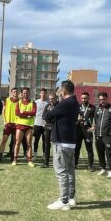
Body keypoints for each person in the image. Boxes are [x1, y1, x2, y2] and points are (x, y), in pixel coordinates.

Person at [44, 80, 79, 210]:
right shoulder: (75, 102)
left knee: (61, 171)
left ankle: (64, 201)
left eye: (60, 91)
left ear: (63, 92)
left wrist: (53, 115)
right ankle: (70, 198)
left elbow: (48, 115)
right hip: (70, 142)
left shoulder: (64, 103)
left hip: (62, 142)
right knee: (70, 171)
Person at [90, 92, 111, 179]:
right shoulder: (97, 109)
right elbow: (96, 122)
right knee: (100, 153)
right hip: (98, 135)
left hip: (108, 136)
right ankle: (103, 168)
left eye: (104, 99)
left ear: (107, 99)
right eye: (100, 99)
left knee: (109, 153)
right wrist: (95, 128)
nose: (102, 101)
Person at [14, 87, 36, 167]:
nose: (25, 94)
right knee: (17, 143)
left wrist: (23, 112)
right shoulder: (19, 102)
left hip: (29, 126)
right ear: (22, 94)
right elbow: (17, 113)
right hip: (20, 125)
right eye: (24, 93)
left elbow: (33, 113)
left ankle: (29, 160)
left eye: (26, 93)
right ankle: (15, 159)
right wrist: (27, 115)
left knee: (29, 144)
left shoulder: (33, 102)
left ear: (29, 93)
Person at [75, 91, 96, 171]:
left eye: (85, 98)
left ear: (89, 98)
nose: (83, 99)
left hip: (88, 131)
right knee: (77, 148)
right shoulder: (77, 107)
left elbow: (97, 119)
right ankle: (75, 164)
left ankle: (90, 166)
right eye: (82, 98)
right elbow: (73, 117)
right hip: (78, 130)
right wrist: (77, 119)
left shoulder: (93, 108)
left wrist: (94, 126)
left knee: (89, 148)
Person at [0, 87, 19, 163]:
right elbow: (3, 111)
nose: (15, 93)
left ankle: (13, 156)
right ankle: (0, 156)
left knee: (14, 141)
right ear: (11, 93)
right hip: (8, 124)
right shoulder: (7, 100)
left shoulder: (20, 101)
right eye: (13, 92)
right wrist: (5, 121)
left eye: (16, 91)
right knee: (4, 140)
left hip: (16, 124)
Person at [41, 92, 57, 168]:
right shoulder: (47, 106)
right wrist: (50, 116)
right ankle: (46, 163)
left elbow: (57, 117)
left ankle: (56, 162)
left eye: (52, 99)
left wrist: (50, 116)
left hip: (56, 128)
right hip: (47, 127)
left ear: (56, 99)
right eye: (50, 99)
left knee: (56, 145)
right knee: (46, 145)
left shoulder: (59, 105)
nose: (51, 101)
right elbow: (44, 117)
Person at [33, 88, 48, 161]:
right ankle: (35, 155)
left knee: (45, 140)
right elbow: (33, 113)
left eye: (44, 93)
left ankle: (44, 155)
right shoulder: (36, 102)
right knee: (36, 140)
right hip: (37, 124)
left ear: (46, 94)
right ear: (40, 94)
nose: (43, 94)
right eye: (42, 93)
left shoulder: (48, 103)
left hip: (45, 125)